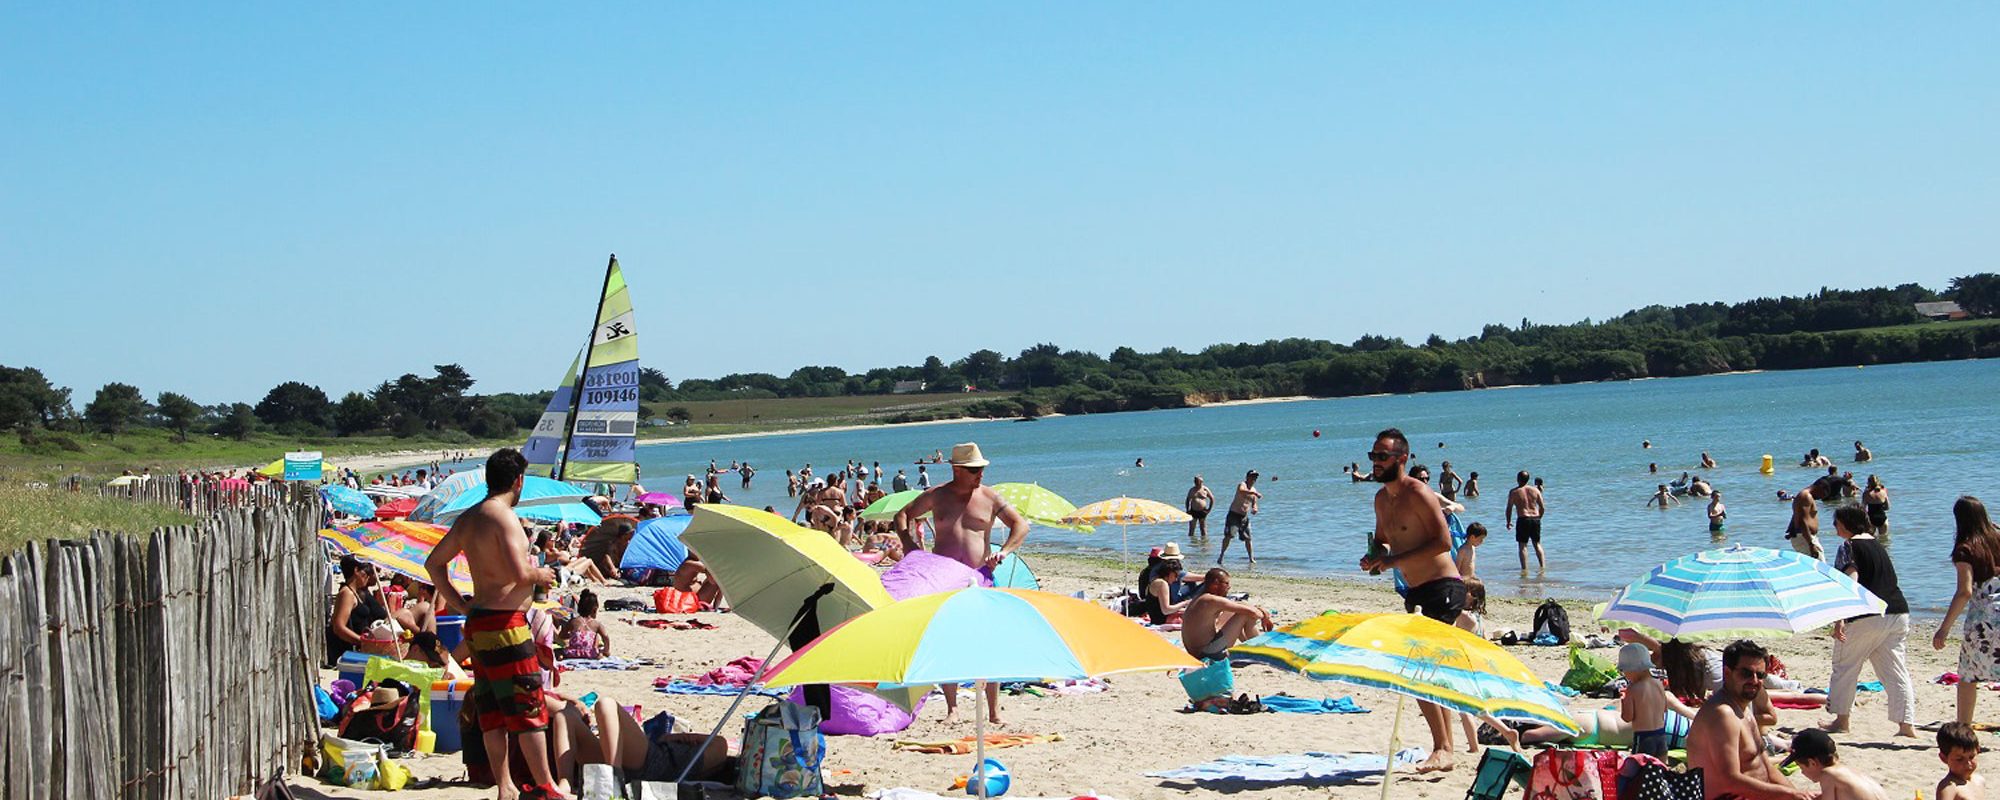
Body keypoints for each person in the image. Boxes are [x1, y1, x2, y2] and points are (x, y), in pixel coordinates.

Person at [426, 449, 563, 800]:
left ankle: (505, 786)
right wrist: (543, 573)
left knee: (491, 710)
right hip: (506, 625)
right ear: (519, 481)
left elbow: (433, 563)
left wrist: (459, 603)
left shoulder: (470, 518)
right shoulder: (504, 516)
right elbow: (520, 573)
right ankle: (546, 786)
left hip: (480, 623)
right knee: (527, 705)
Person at [894, 442, 1030, 726]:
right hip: (942, 577)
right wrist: (910, 545)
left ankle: (993, 711)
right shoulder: (937, 495)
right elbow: (903, 516)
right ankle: (952, 708)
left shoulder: (991, 497)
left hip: (979, 574)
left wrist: (1003, 551)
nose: (979, 474)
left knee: (988, 641)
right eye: (973, 470)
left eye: (981, 469)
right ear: (957, 469)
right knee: (947, 640)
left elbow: (1021, 526)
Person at [1357, 427, 1463, 774]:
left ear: (1402, 459)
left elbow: (1443, 542)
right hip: (1414, 591)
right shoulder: (1380, 499)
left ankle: (1443, 748)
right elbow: (1386, 541)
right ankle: (1445, 749)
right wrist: (1375, 555)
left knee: (1420, 670)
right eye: (1373, 455)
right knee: (1426, 670)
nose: (1375, 462)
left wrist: (1391, 562)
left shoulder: (1418, 492)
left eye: (1382, 456)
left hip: (1443, 587)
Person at [1822, 504, 1915, 737]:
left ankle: (1842, 722)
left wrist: (1839, 619)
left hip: (1866, 616)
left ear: (1845, 524)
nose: (1834, 528)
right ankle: (1906, 725)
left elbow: (1850, 582)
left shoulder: (1848, 546)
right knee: (1895, 672)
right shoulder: (1877, 545)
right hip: (1897, 612)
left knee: (1845, 666)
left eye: (1836, 523)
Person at [1686, 640, 1811, 800]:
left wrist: (1797, 795)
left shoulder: (1743, 708)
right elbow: (1729, 780)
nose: (1754, 680)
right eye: (1746, 673)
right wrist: (1791, 794)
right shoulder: (1722, 714)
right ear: (1727, 673)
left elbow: (1767, 767)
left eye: (1760, 675)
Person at [1935, 496, 2000, 726]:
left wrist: (1943, 629)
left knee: (1968, 675)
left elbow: (1964, 591)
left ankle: (1964, 728)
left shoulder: (1965, 549)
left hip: (1986, 618)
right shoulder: (1998, 535)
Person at [1180, 567, 1271, 660]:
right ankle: (1260, 649)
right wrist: (1265, 615)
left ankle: (1249, 644)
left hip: (1196, 652)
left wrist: (1260, 610)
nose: (1229, 587)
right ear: (1215, 584)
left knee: (1239, 609)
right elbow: (1254, 613)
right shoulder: (1212, 600)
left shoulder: (1200, 598)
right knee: (1245, 614)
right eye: (1226, 583)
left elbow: (1239, 605)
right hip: (1207, 653)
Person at [1784, 729, 1887, 800]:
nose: (1802, 772)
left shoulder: (1827, 774)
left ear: (1812, 763)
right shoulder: (1847, 771)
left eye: (1801, 767)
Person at [326, 555, 393, 664]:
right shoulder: (347, 594)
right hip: (349, 649)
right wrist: (361, 641)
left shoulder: (356, 593)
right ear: (356, 571)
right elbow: (338, 627)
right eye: (365, 572)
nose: (367, 576)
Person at [1620, 642, 1673, 758]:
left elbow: (1627, 717)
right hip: (1661, 735)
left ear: (1632, 669)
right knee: (1660, 768)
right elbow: (1664, 709)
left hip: (1644, 737)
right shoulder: (1658, 684)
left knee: (1638, 770)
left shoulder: (1633, 689)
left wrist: (1624, 701)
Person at [1216, 470, 1261, 565]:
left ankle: (1251, 558)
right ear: (1247, 477)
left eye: (1255, 478)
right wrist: (1254, 494)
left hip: (1244, 517)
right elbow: (1241, 490)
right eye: (1252, 477)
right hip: (1234, 514)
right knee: (1229, 536)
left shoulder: (1254, 490)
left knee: (1248, 538)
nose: (1253, 479)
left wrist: (1255, 508)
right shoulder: (1242, 485)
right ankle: (1221, 555)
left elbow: (1254, 503)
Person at [1505, 470, 1546, 572]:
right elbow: (1542, 507)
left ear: (1518, 479)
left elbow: (1509, 508)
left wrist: (1508, 521)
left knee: (1523, 545)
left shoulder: (1514, 492)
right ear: (1528, 479)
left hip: (1523, 519)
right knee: (1537, 544)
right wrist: (1539, 518)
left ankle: (1524, 569)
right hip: (1535, 518)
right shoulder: (1536, 490)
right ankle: (1542, 566)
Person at [1936, 722, 1985, 800]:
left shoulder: (1979, 781)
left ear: (1978, 750)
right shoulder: (1949, 787)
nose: (1968, 764)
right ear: (1944, 758)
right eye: (1959, 759)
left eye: (1971, 757)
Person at [1138, 558, 1194, 625]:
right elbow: (1166, 610)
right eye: (1175, 575)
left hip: (1158, 617)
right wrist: (1185, 603)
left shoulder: (1156, 580)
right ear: (1170, 573)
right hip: (1160, 620)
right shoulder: (1162, 584)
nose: (1176, 579)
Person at [561, 590, 610, 660]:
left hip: (573, 653)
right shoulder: (597, 624)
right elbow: (606, 637)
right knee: (597, 640)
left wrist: (574, 636)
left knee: (558, 651)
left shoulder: (573, 621)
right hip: (590, 653)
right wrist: (606, 651)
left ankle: (561, 656)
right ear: (595, 609)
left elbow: (562, 635)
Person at [1787, 486, 1823, 559]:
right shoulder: (1805, 496)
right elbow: (1802, 521)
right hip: (1805, 538)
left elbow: (1798, 516)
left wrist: (1791, 530)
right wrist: (1811, 545)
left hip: (1803, 537)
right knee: (1819, 566)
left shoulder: (1804, 496)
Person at [1185, 476, 1214, 541]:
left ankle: (1204, 544)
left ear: (1201, 482)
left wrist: (1209, 509)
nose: (1197, 483)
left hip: (1202, 511)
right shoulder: (1192, 490)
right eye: (1195, 481)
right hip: (1193, 511)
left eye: (1198, 482)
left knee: (1203, 529)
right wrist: (1187, 510)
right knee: (1191, 529)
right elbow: (1187, 500)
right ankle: (1191, 545)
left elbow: (1212, 499)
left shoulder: (1205, 489)